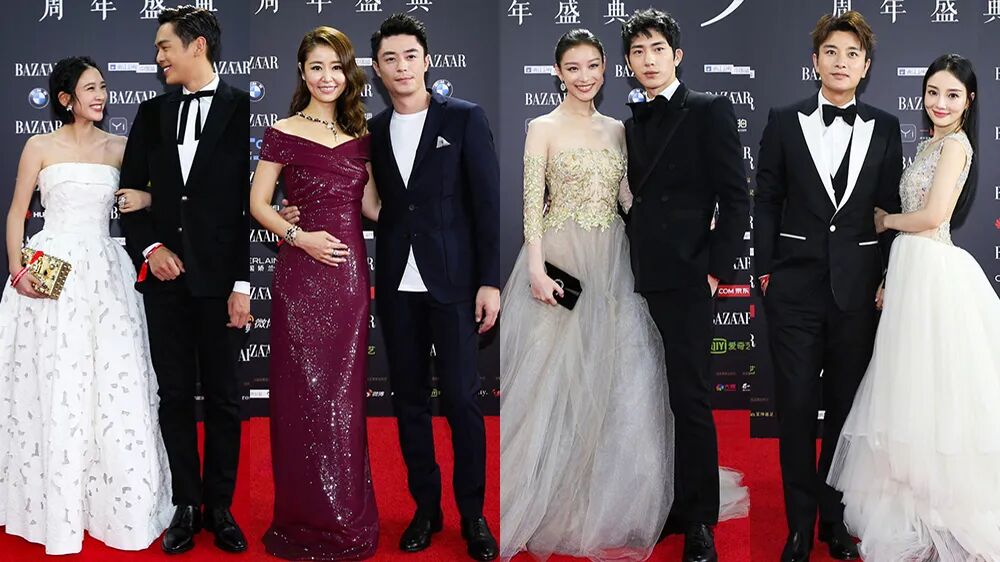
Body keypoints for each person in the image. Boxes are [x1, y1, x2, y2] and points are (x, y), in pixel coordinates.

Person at [282, 12, 501, 561]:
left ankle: (473, 515)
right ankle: (426, 510)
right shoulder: (370, 132)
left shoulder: (465, 118)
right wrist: (296, 211)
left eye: (410, 56)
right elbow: (361, 201)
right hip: (396, 286)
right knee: (409, 402)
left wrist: (489, 282)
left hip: (454, 284)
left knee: (461, 400)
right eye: (389, 59)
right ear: (376, 70)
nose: (401, 67)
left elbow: (486, 205)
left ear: (427, 61)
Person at [498, 29, 674, 562]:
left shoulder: (618, 129)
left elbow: (627, 198)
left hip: (611, 261)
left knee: (611, 378)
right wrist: (535, 268)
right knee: (550, 383)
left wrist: (677, 224)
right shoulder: (541, 127)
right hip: (560, 259)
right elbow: (532, 203)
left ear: (605, 69)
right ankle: (543, 497)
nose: (584, 76)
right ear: (558, 73)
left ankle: (601, 497)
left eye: (593, 65)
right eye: (572, 67)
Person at [827, 54, 1000, 562]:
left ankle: (937, 507)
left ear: (969, 100)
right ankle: (909, 502)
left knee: (932, 391)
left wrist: (884, 221)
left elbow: (932, 215)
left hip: (932, 274)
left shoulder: (957, 146)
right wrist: (887, 275)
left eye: (952, 95)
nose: (940, 103)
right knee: (907, 388)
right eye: (933, 92)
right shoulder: (929, 144)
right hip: (909, 271)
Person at [0, 56, 172, 555]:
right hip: (49, 266)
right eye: (90, 88)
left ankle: (112, 505)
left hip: (104, 269)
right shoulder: (39, 146)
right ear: (65, 98)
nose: (101, 95)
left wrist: (145, 200)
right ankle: (51, 503)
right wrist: (17, 268)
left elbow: (157, 197)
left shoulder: (119, 147)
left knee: (112, 382)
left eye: (103, 87)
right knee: (55, 380)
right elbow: (17, 211)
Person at [754, 11, 903, 562]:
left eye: (852, 55)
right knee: (795, 409)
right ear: (815, 60)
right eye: (832, 52)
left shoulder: (885, 127)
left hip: (857, 293)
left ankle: (832, 520)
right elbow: (766, 198)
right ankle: (798, 525)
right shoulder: (783, 120)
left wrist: (885, 275)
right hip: (793, 288)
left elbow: (889, 208)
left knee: (845, 412)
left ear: (866, 66)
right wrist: (765, 269)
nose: (841, 62)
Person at [118, 6, 250, 555]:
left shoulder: (241, 106)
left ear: (197, 46)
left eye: (164, 46)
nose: (157, 58)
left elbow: (244, 205)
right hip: (166, 282)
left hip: (219, 281)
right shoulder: (150, 112)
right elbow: (128, 196)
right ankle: (186, 503)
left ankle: (220, 506)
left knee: (223, 399)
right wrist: (151, 248)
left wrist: (242, 284)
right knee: (173, 396)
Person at [620, 10, 751, 562]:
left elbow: (736, 196)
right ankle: (673, 504)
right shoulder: (630, 122)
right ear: (628, 63)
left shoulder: (708, 109)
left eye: (657, 49)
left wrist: (714, 270)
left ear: (677, 55)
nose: (648, 60)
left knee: (690, 398)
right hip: (639, 275)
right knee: (654, 396)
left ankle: (701, 520)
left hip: (689, 277)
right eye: (638, 51)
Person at [250, 26, 381, 561]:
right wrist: (298, 236)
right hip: (301, 276)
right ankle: (303, 516)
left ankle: (345, 515)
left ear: (349, 73)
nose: (328, 77)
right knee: (301, 396)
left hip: (348, 278)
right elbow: (259, 203)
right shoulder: (282, 131)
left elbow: (373, 207)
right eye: (317, 67)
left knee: (344, 398)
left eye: (336, 67)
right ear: (302, 74)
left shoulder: (361, 135)